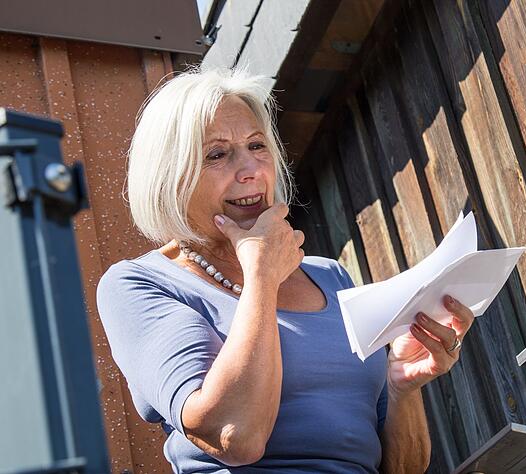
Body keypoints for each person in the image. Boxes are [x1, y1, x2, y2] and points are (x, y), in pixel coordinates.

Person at [95, 67, 475, 473]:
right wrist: (260, 272)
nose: (252, 170)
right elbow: (234, 436)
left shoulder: (331, 276)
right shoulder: (138, 284)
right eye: (217, 154)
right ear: (169, 177)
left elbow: (402, 469)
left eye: (257, 146)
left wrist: (402, 386)